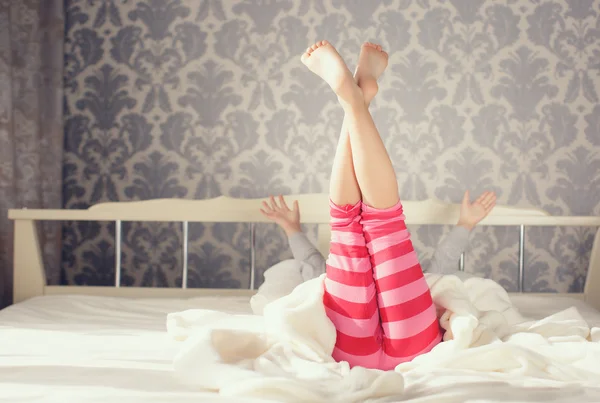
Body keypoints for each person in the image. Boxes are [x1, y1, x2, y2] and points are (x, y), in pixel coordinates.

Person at [261, 40, 497, 371]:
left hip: (378, 348)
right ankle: (355, 101)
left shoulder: (317, 277)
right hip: (399, 346)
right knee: (346, 223)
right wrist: (465, 225)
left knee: (383, 225)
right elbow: (442, 267)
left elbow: (312, 263)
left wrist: (291, 230)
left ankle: (357, 100)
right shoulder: (325, 272)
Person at [260, 190, 496, 281]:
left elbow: (440, 266)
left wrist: (465, 223)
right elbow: (312, 263)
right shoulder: (339, 279)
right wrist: (292, 228)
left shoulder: (403, 279)